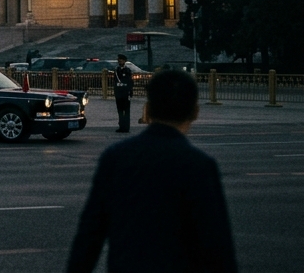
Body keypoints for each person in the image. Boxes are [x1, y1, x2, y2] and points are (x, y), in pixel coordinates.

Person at [67, 69, 236, 273]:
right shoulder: (199, 165)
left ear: (149, 109)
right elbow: (217, 246)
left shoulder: (116, 158)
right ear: (195, 112)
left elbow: (90, 235)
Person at [113, 54, 133, 133]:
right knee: (120, 110)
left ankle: (126, 127)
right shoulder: (116, 70)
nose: (119, 61)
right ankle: (121, 126)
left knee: (126, 111)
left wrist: (130, 91)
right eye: (119, 60)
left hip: (125, 93)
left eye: (121, 60)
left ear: (124, 61)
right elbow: (115, 82)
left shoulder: (127, 70)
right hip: (119, 93)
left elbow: (130, 82)